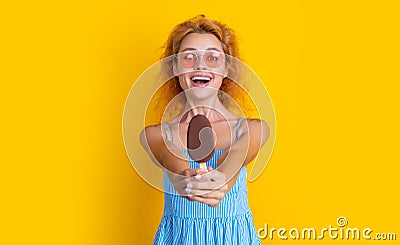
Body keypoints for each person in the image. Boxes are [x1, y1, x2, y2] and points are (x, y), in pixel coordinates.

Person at [140, 15, 269, 245]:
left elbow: (236, 159)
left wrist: (221, 180)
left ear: (227, 68)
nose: (201, 65)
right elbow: (171, 160)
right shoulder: (156, 135)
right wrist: (185, 178)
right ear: (174, 67)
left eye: (212, 57)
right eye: (189, 57)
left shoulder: (251, 130)